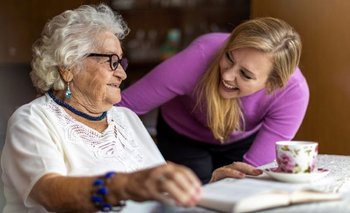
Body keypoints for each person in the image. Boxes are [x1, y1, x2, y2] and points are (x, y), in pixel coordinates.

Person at [0, 4, 262, 212]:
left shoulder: (125, 118)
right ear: (68, 68)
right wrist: (124, 185)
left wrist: (206, 188)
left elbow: (158, 193)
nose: (122, 75)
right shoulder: (33, 120)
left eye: (121, 63)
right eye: (111, 62)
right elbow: (51, 193)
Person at [118, 17, 309, 184]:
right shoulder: (199, 56)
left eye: (245, 74)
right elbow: (121, 107)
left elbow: (254, 173)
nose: (227, 75)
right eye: (229, 57)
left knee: (241, 189)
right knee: (190, 197)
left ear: (273, 84)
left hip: (242, 140)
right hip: (183, 135)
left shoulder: (293, 93)